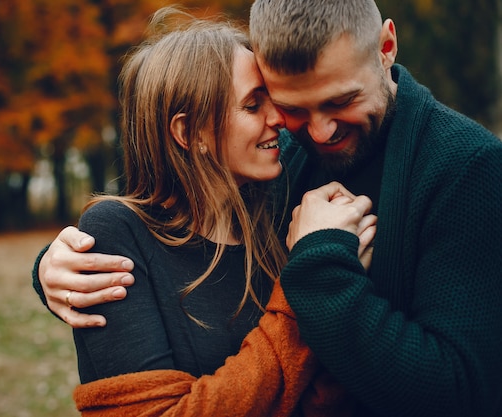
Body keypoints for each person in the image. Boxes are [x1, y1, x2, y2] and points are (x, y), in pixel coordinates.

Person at [33, 0, 502, 416]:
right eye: (287, 106)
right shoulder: (278, 173)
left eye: (342, 101)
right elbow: (160, 231)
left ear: (386, 47)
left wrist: (320, 273)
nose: (315, 132)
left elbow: (460, 393)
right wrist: (51, 270)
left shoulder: (468, 169)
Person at [46, 7, 376, 416]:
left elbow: (317, 396)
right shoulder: (119, 232)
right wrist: (307, 290)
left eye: (270, 100)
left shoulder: (279, 217)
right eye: (253, 106)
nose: (278, 119)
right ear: (189, 132)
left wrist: (333, 283)